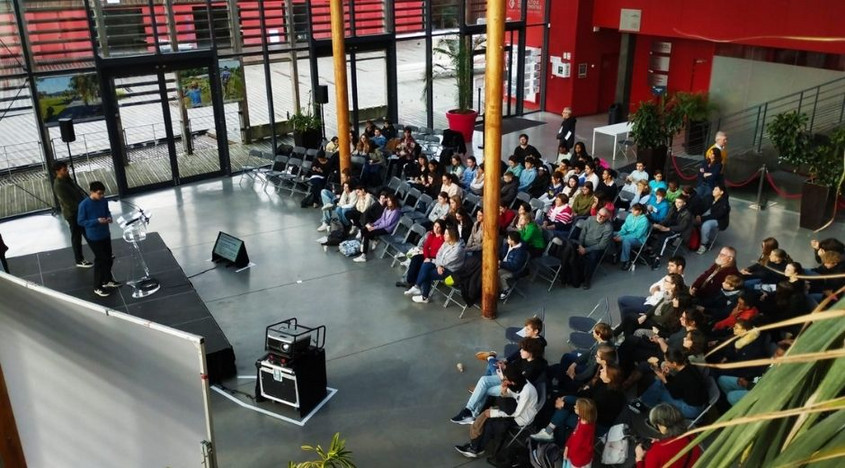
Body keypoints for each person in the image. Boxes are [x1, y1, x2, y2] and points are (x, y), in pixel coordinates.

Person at [452, 338, 546, 425]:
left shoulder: (535, 367)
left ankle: (472, 413)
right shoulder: (523, 358)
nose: (520, 351)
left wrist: (504, 378)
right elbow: (513, 369)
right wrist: (504, 366)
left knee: (484, 388)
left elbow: (517, 384)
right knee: (484, 380)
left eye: (523, 350)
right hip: (508, 379)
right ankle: (469, 411)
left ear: (531, 352)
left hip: (512, 388)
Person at [453, 365, 538, 459]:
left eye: (506, 379)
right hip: (514, 408)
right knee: (488, 411)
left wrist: (494, 413)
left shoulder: (526, 392)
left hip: (522, 418)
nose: (504, 380)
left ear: (513, 381)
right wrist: (504, 391)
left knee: (490, 421)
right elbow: (512, 396)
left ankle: (475, 448)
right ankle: (475, 446)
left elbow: (516, 413)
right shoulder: (519, 383)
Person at [532, 365, 623, 442]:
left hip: (597, 423)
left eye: (604, 370)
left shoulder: (610, 396)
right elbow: (588, 394)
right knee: (567, 399)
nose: (601, 370)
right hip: (590, 407)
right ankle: (550, 433)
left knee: (564, 415)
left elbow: (589, 412)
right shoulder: (602, 382)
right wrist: (565, 397)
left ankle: (556, 439)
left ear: (610, 377)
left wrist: (564, 405)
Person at [637, 348, 708, 419]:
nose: (665, 363)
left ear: (674, 363)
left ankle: (644, 403)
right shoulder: (690, 366)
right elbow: (678, 385)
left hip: (692, 409)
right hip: (700, 401)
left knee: (660, 390)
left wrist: (664, 379)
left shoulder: (682, 377)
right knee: (660, 384)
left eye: (667, 361)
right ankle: (644, 401)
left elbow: (675, 395)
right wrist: (667, 376)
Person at [77, 181, 120, 297]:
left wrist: (109, 218)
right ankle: (97, 286)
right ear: (92, 192)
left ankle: (107, 280)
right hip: (94, 237)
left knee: (109, 258)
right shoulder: (84, 205)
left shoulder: (103, 200)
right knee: (101, 260)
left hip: (105, 234)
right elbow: (80, 221)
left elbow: (107, 212)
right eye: (99, 194)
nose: (101, 196)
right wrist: (96, 221)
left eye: (102, 194)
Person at [408, 226, 464, 303]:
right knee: (426, 264)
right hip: (441, 265)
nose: (444, 235)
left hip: (451, 271)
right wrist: (438, 265)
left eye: (446, 234)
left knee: (427, 274)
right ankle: (417, 287)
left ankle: (423, 295)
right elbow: (439, 254)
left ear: (452, 236)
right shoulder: (446, 242)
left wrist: (437, 263)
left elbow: (446, 262)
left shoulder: (458, 249)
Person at [634, 403, 702, 467]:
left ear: (663, 426)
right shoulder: (691, 437)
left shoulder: (655, 453)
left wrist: (639, 459)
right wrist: (661, 443)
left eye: (657, 425)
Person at [52, 161, 93, 268]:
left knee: (87, 233)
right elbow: (69, 203)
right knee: (77, 237)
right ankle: (79, 260)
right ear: (57, 172)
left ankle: (98, 253)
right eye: (64, 170)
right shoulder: (59, 185)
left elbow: (77, 193)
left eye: (67, 169)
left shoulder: (66, 179)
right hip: (73, 214)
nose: (67, 171)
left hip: (78, 211)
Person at [647, 195, 693, 269]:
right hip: (668, 227)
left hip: (676, 230)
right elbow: (666, 219)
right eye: (676, 202)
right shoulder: (673, 208)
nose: (677, 204)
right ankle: (649, 250)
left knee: (663, 238)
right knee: (651, 230)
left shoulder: (687, 213)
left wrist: (668, 229)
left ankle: (657, 259)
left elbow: (682, 227)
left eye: (679, 202)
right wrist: (660, 225)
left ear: (684, 203)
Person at [398, 219, 446, 289]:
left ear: (442, 228)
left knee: (422, 264)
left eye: (438, 227)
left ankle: (416, 284)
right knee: (415, 258)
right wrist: (426, 257)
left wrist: (428, 258)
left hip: (434, 258)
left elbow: (438, 253)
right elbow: (426, 247)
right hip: (427, 255)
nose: (436, 229)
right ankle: (410, 281)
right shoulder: (432, 234)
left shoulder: (443, 239)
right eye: (435, 226)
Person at [353, 194, 400, 263]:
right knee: (364, 229)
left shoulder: (396, 212)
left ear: (394, 202)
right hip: (380, 226)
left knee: (367, 235)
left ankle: (363, 255)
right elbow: (381, 219)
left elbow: (387, 223)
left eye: (390, 201)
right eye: (388, 201)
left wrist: (374, 228)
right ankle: (366, 245)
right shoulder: (386, 208)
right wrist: (373, 224)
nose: (388, 202)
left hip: (386, 229)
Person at [577, 208, 613, 289]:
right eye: (599, 214)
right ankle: (575, 276)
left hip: (595, 248)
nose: (600, 217)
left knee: (592, 258)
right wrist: (580, 245)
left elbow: (602, 245)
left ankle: (587, 280)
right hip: (583, 245)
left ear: (607, 217)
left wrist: (585, 250)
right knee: (572, 252)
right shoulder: (590, 219)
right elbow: (583, 233)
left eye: (603, 216)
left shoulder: (608, 228)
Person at [615, 203, 651, 271]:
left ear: (640, 211)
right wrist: (619, 234)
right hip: (627, 235)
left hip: (638, 239)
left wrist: (622, 237)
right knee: (611, 234)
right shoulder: (630, 216)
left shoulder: (644, 221)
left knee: (626, 241)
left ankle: (626, 261)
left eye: (634, 210)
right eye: (632, 210)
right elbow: (625, 227)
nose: (632, 211)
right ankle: (613, 253)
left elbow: (638, 235)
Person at [697, 185, 730, 254]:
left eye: (716, 190)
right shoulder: (709, 198)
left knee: (706, 225)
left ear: (721, 192)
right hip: (706, 216)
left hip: (719, 220)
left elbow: (717, 215)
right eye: (714, 189)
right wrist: (698, 215)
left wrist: (702, 218)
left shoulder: (724, 203)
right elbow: (700, 206)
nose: (713, 191)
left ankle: (704, 244)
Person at [498, 232, 530, 299]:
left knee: (499, 275)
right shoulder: (507, 245)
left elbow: (514, 266)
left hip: (513, 270)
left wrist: (501, 263)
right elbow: (500, 253)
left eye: (509, 239)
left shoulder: (520, 252)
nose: (507, 240)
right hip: (503, 265)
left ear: (513, 241)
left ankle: (506, 289)